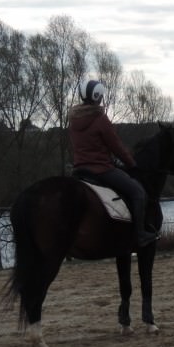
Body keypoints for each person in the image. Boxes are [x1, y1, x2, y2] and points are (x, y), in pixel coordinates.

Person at [68, 79, 157, 247]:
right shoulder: (100, 118)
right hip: (101, 169)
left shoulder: (73, 120)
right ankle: (140, 235)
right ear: (98, 96)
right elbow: (116, 146)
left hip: (79, 170)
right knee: (137, 192)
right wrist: (131, 164)